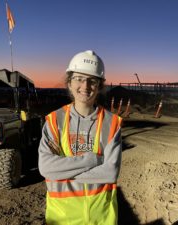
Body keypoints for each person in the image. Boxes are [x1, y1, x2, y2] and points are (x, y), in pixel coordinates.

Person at [38, 50, 122, 225]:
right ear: (69, 82)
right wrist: (94, 160)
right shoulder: (55, 121)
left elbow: (110, 173)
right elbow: (46, 169)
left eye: (92, 81)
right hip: (62, 217)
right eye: (79, 79)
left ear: (100, 86)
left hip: (102, 217)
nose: (85, 86)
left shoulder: (111, 123)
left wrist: (62, 170)